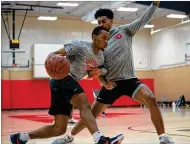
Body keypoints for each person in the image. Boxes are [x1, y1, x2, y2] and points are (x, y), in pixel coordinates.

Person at [53, 1, 174, 144]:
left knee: (151, 98)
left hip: (129, 80)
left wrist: (154, 4)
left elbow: (143, 20)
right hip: (111, 84)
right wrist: (101, 76)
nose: (101, 24)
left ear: (111, 21)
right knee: (91, 115)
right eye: (98, 22)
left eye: (104, 21)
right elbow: (100, 67)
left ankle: (163, 137)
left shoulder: (125, 31)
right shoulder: (99, 42)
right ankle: (69, 137)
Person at [9, 26, 124, 144]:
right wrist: (51, 58)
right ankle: (99, 139)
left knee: (59, 129)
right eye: (103, 38)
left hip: (62, 83)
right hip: (63, 78)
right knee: (85, 105)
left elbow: (97, 73)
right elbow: (56, 53)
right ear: (94, 37)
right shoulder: (80, 46)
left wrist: (104, 82)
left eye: (108, 39)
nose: (106, 41)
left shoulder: (100, 57)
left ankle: (21, 138)